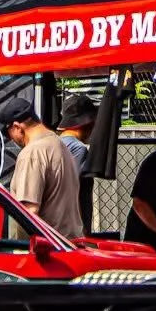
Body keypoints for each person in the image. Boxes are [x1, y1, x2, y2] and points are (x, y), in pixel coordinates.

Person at [1, 99, 84, 238]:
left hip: (46, 252)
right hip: (69, 245)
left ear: (17, 127)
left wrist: (20, 253)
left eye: (6, 132)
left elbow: (28, 213)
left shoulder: (31, 153)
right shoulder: (60, 144)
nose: (10, 139)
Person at [57, 92, 99, 233]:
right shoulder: (78, 148)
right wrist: (81, 232)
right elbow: (74, 190)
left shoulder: (56, 143)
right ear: (88, 123)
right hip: (74, 228)